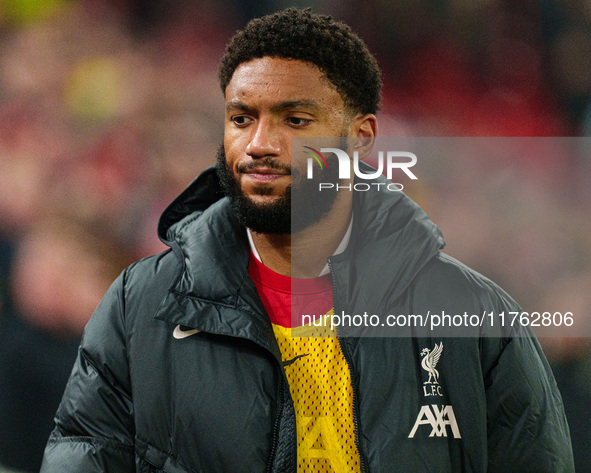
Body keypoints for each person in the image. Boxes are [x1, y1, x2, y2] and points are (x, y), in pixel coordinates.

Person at [40, 8, 574, 473]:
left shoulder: (476, 319)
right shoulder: (140, 308)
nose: (260, 144)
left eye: (295, 119)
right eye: (241, 118)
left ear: (360, 137)